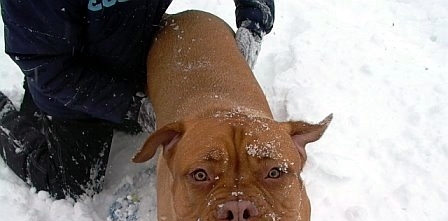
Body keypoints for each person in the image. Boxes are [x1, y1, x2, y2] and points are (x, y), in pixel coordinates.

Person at [0, 0, 275, 200]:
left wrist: (254, 21)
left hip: (138, 45)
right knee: (71, 187)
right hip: (73, 89)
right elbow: (46, 66)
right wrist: (132, 106)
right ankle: (5, 116)